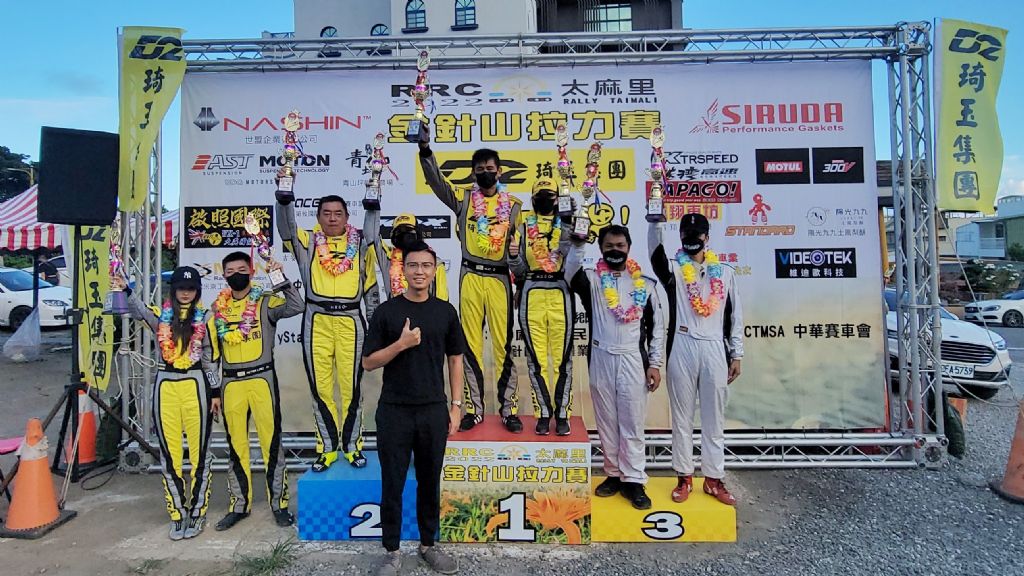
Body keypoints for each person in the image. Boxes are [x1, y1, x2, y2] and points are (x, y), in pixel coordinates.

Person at [362, 241, 464, 576]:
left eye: (426, 265)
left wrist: (456, 406)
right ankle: (392, 551)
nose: (419, 271)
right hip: (394, 410)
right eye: (413, 265)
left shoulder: (445, 312)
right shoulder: (387, 312)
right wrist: (401, 344)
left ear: (435, 270)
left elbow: (455, 359)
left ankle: (428, 545)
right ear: (403, 270)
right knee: (392, 482)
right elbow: (368, 362)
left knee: (429, 481)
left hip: (433, 410)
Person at [418, 126, 523, 433]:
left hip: (500, 279)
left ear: (500, 171)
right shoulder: (463, 199)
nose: (486, 174)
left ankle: (508, 410)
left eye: (490, 169)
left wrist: (519, 276)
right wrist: (425, 150)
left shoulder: (514, 207)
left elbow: (520, 253)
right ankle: (474, 409)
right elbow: (437, 183)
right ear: (473, 174)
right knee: (470, 346)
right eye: (480, 170)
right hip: (471, 276)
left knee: (503, 346)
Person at [276, 178, 381, 471]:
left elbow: (371, 287)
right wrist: (284, 197)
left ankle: (352, 447)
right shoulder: (308, 242)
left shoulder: (361, 244)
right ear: (318, 217)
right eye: (326, 213)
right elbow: (285, 228)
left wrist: (375, 328)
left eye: (338, 213)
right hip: (317, 320)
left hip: (351, 321)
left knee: (352, 389)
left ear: (347, 217)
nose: (332, 218)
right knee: (320, 388)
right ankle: (327, 448)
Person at [565, 224, 665, 510]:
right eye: (609, 246)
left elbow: (657, 328)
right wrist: (578, 244)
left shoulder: (645, 285)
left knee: (632, 423)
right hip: (601, 357)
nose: (615, 250)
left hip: (633, 359)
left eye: (620, 245)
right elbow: (570, 273)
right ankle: (613, 474)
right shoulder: (592, 280)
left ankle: (634, 480)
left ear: (628, 248)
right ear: (601, 248)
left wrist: (654, 364)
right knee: (606, 421)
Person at [649, 213, 743, 506]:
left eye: (697, 235)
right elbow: (655, 254)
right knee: (682, 418)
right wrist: (655, 223)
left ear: (707, 237)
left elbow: (735, 316)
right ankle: (684, 477)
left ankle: (714, 479)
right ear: (680, 237)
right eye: (686, 235)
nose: (692, 240)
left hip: (715, 346)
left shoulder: (724, 272)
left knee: (714, 419)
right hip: (682, 345)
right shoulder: (673, 271)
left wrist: (736, 353)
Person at [120, 267, 219, 540]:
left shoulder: (206, 318)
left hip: (196, 385)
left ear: (198, 291)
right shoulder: (161, 316)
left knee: (200, 454)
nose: (186, 293)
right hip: (165, 385)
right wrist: (125, 288)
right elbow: (139, 311)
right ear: (173, 290)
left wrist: (215, 391)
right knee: (170, 454)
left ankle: (197, 511)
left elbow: (210, 358)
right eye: (181, 288)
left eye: (191, 288)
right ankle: (177, 513)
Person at [210, 251, 305, 531]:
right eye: (230, 271)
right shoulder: (217, 308)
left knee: (271, 445)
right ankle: (239, 505)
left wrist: (278, 276)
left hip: (262, 378)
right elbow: (211, 353)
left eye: (242, 269)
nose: (236, 275)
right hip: (230, 383)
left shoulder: (265, 302)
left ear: (252, 271)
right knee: (236, 447)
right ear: (224, 276)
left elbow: (297, 306)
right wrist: (214, 390)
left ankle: (279, 504)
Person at [508, 179, 574, 436]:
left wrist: (569, 222)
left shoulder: (566, 223)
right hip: (532, 292)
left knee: (562, 358)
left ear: (558, 198)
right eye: (540, 196)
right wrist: (513, 255)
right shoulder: (523, 227)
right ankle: (544, 413)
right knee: (536, 359)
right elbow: (518, 269)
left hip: (560, 291)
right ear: (533, 199)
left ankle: (563, 413)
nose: (545, 200)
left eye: (550, 195)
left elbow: (571, 254)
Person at [365, 212, 449, 300]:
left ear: (417, 234)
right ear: (394, 236)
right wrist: (373, 210)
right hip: (395, 308)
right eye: (399, 232)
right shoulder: (388, 258)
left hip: (427, 308)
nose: (404, 236)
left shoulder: (435, 263)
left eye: (409, 231)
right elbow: (371, 238)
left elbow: (442, 300)